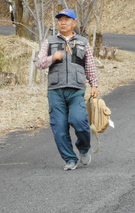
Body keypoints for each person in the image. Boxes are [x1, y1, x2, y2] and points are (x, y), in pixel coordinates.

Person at [37, 9, 98, 171]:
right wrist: (52, 58)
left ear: (74, 23)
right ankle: (70, 158)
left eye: (66, 19)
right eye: (60, 20)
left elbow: (90, 64)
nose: (63, 22)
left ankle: (84, 147)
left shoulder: (83, 42)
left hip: (76, 89)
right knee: (59, 126)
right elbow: (39, 63)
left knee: (80, 121)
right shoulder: (49, 41)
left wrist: (94, 85)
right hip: (55, 90)